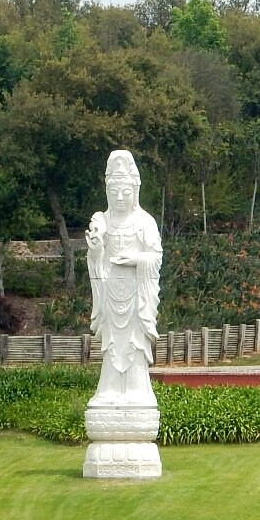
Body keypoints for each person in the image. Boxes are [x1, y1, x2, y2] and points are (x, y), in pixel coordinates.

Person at [86, 150, 162, 404]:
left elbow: (156, 257)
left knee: (135, 345)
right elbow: (96, 256)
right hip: (109, 294)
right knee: (111, 346)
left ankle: (138, 392)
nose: (120, 198)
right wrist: (96, 248)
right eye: (114, 192)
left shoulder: (145, 222)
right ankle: (108, 391)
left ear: (135, 192)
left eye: (126, 192)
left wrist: (136, 260)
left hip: (136, 296)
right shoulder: (103, 221)